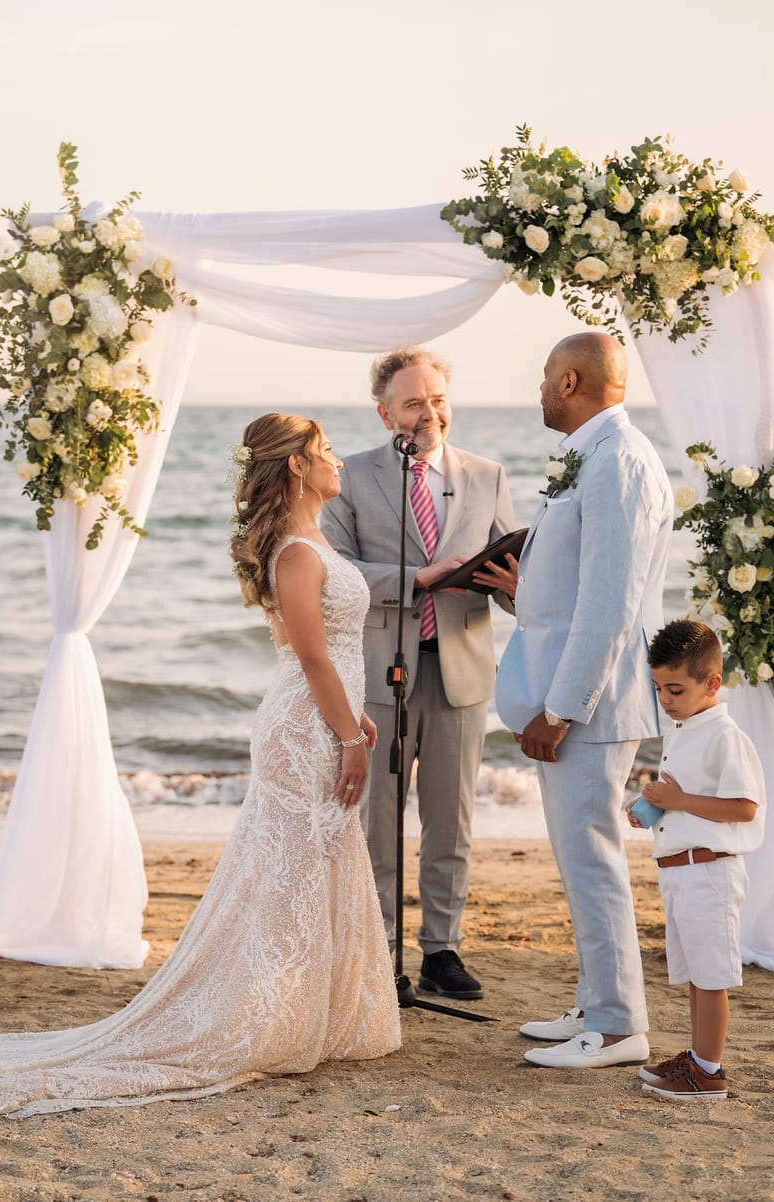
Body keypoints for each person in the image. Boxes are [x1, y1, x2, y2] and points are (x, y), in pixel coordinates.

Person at [0, 412, 400, 1120]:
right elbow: (313, 656)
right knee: (289, 872)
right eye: (325, 453)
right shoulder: (296, 552)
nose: (339, 464)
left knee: (318, 864)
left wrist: (354, 717)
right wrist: (347, 738)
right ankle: (265, 1016)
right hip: (302, 732)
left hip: (327, 719)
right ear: (296, 465)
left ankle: (315, 1012)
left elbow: (336, 655)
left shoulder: (317, 539)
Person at [480, 332, 673, 1067]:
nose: (537, 391)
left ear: (568, 381)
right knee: (578, 856)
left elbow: (610, 603)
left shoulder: (618, 462)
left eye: (542, 378)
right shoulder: (595, 457)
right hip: (573, 694)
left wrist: (560, 709)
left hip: (588, 705)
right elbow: (579, 587)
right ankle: (598, 1002)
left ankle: (621, 1027)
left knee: (592, 860)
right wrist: (524, 591)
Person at [322, 346, 515, 1000]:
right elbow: (334, 572)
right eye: (413, 402)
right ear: (385, 414)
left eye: (436, 399)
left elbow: (514, 579)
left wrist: (515, 585)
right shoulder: (348, 477)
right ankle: (380, 951)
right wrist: (415, 580)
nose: (429, 412)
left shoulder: (487, 474)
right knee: (378, 819)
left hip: (461, 669)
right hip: (381, 671)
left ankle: (442, 948)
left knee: (450, 819)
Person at [626, 620, 765, 1100]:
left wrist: (679, 802)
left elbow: (744, 807)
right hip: (680, 870)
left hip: (711, 870)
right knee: (694, 976)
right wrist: (655, 808)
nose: (665, 699)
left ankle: (709, 1072)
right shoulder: (683, 729)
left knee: (711, 978)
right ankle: (698, 1055)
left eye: (675, 689)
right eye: (659, 688)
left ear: (712, 683)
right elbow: (685, 795)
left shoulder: (724, 735)